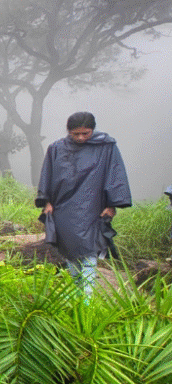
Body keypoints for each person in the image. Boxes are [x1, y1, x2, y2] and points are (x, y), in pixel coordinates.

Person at [36, 111, 131, 296]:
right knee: (70, 252)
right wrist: (46, 202)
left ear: (92, 130)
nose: (80, 137)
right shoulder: (56, 148)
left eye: (85, 133)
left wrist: (112, 205)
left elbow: (115, 174)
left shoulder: (106, 146)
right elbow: (47, 174)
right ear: (68, 131)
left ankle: (87, 301)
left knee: (89, 252)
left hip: (92, 207)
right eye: (75, 134)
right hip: (63, 208)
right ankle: (77, 296)